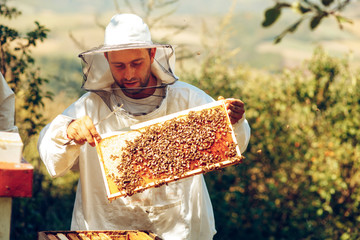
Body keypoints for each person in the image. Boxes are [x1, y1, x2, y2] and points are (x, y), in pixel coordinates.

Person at [38, 13, 250, 240]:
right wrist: (69, 131)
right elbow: (49, 152)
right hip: (108, 229)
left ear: (152, 54)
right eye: (119, 65)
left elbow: (238, 142)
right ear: (107, 59)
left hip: (180, 231)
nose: (128, 74)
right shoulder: (90, 107)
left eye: (136, 64)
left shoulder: (187, 99)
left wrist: (233, 121)